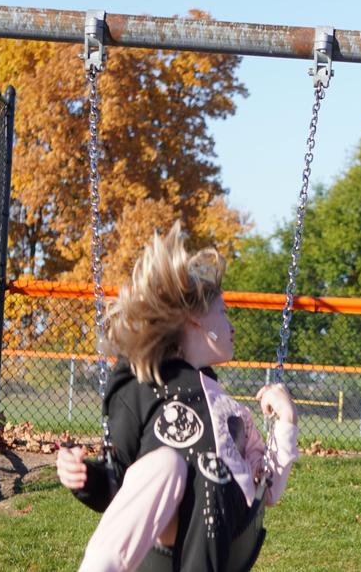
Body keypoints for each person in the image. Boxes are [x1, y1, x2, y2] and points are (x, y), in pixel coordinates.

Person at [55, 223, 300, 572]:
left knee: (210, 468)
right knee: (165, 464)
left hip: (227, 523)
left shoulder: (234, 414)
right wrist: (84, 476)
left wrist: (287, 422)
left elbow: (268, 489)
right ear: (195, 319)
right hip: (162, 519)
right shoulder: (141, 386)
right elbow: (117, 480)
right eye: (224, 312)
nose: (232, 327)